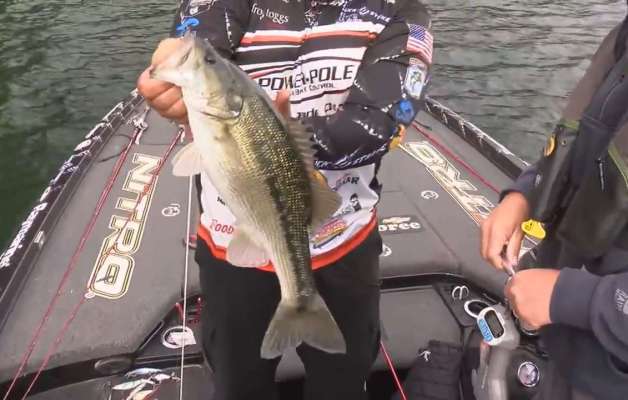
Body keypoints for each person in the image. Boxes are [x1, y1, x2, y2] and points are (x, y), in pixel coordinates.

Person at [137, 0, 433, 399]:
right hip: (231, 245)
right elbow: (198, 39)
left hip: (345, 243)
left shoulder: (400, 12)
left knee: (342, 385)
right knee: (238, 385)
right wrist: (171, 67)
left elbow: (380, 122)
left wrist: (268, 136)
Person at [480, 5, 628, 400]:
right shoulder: (622, 41)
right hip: (564, 351)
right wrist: (523, 196)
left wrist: (572, 298)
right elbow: (587, 154)